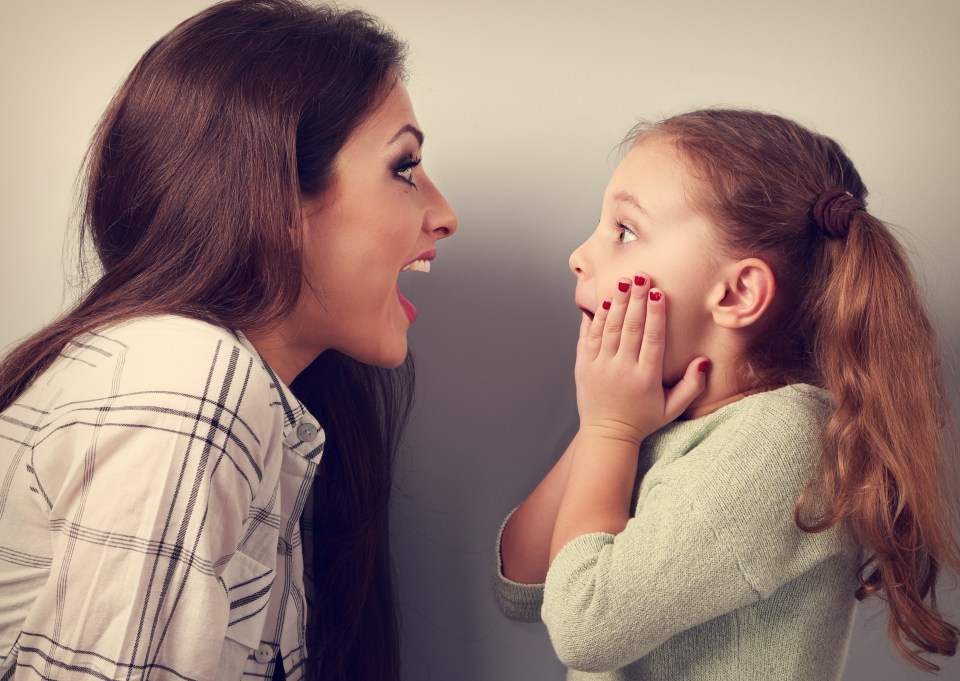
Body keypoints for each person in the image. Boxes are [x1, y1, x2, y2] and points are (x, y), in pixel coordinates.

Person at [0, 1, 456, 680]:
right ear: (275, 196)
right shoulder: (187, 380)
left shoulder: (247, 401)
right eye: (404, 166)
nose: (445, 215)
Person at [494, 108, 959, 679]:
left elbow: (582, 623)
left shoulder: (780, 443)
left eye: (625, 231)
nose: (580, 255)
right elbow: (522, 584)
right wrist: (606, 428)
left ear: (738, 294)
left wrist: (609, 430)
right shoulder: (656, 419)